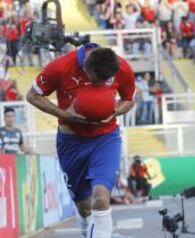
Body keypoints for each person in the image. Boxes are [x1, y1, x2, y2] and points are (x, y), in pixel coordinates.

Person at [26, 43, 135, 238]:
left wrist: (115, 111)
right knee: (85, 208)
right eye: (98, 80)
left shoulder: (121, 67)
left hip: (106, 139)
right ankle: (86, 227)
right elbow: (32, 95)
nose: (102, 85)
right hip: (71, 143)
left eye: (106, 81)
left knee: (102, 198)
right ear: (86, 68)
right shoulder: (60, 67)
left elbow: (128, 99)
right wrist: (64, 114)